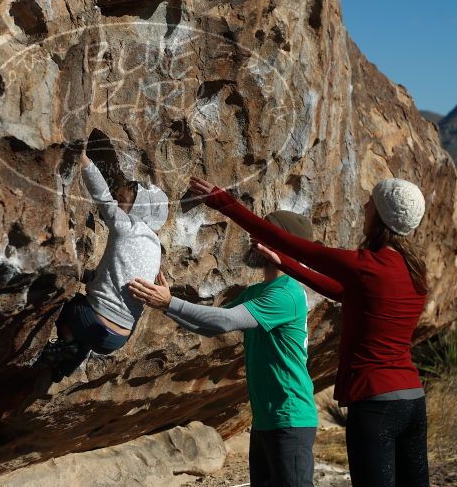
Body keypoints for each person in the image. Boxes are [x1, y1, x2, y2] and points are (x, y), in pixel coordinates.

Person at [188, 176, 430, 487]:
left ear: (381, 216)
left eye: (371, 202)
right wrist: (285, 264)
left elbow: (288, 241)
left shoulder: (365, 266)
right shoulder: (412, 269)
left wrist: (223, 201)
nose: (365, 205)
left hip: (376, 403)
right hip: (412, 400)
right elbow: (341, 292)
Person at [128, 211, 319, 487]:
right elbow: (211, 326)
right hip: (267, 421)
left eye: (263, 235)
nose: (253, 240)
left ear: (283, 244)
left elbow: (226, 321)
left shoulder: (286, 293)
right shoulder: (260, 291)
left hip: (290, 420)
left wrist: (170, 303)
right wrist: (163, 305)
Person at [35, 143, 169, 382]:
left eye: (130, 189)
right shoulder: (155, 246)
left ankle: (59, 349)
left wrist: (83, 159)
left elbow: (102, 196)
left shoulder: (127, 226)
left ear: (140, 204)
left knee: (69, 305)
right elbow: (114, 277)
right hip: (118, 338)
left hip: (92, 320)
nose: (122, 190)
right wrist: (82, 274)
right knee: (87, 331)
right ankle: (61, 368)